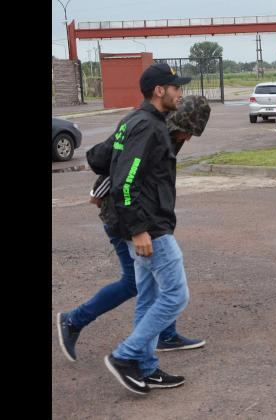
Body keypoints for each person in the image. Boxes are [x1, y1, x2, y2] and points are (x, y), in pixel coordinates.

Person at [56, 96, 212, 364]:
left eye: (193, 134)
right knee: (135, 282)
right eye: (188, 130)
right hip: (124, 218)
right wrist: (99, 190)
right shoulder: (149, 127)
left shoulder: (171, 134)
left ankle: (163, 335)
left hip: (142, 216)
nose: (188, 138)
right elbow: (120, 166)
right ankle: (74, 320)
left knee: (149, 282)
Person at [101, 63, 195, 395]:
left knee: (149, 296)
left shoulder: (138, 121)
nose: (179, 93)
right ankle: (125, 356)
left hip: (143, 222)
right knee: (175, 295)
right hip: (149, 226)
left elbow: (102, 159)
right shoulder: (147, 126)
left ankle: (145, 367)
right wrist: (140, 230)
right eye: (176, 88)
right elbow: (126, 182)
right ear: (160, 91)